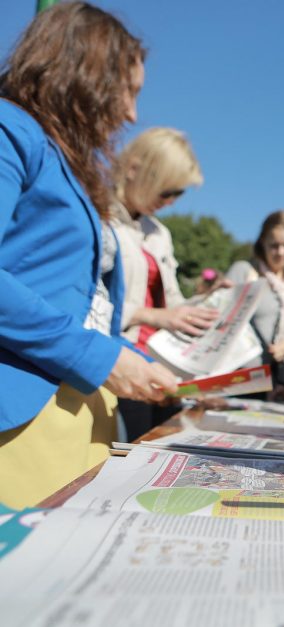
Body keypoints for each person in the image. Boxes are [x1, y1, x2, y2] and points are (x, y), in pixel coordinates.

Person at [0, 3, 177, 508]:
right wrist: (98, 358)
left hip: (79, 414)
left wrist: (147, 368)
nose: (132, 114)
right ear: (86, 73)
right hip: (22, 416)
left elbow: (86, 303)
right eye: (129, 90)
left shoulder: (67, 163)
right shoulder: (10, 131)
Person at [109, 127, 213, 440]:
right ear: (134, 169)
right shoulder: (99, 219)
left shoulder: (159, 233)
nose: (169, 202)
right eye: (166, 191)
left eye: (178, 194)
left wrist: (209, 305)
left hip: (164, 366)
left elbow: (172, 301)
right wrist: (151, 316)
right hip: (122, 363)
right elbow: (86, 302)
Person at [226, 210, 284, 388]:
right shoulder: (245, 272)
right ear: (262, 242)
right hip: (244, 376)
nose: (280, 252)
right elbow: (224, 321)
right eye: (274, 245)